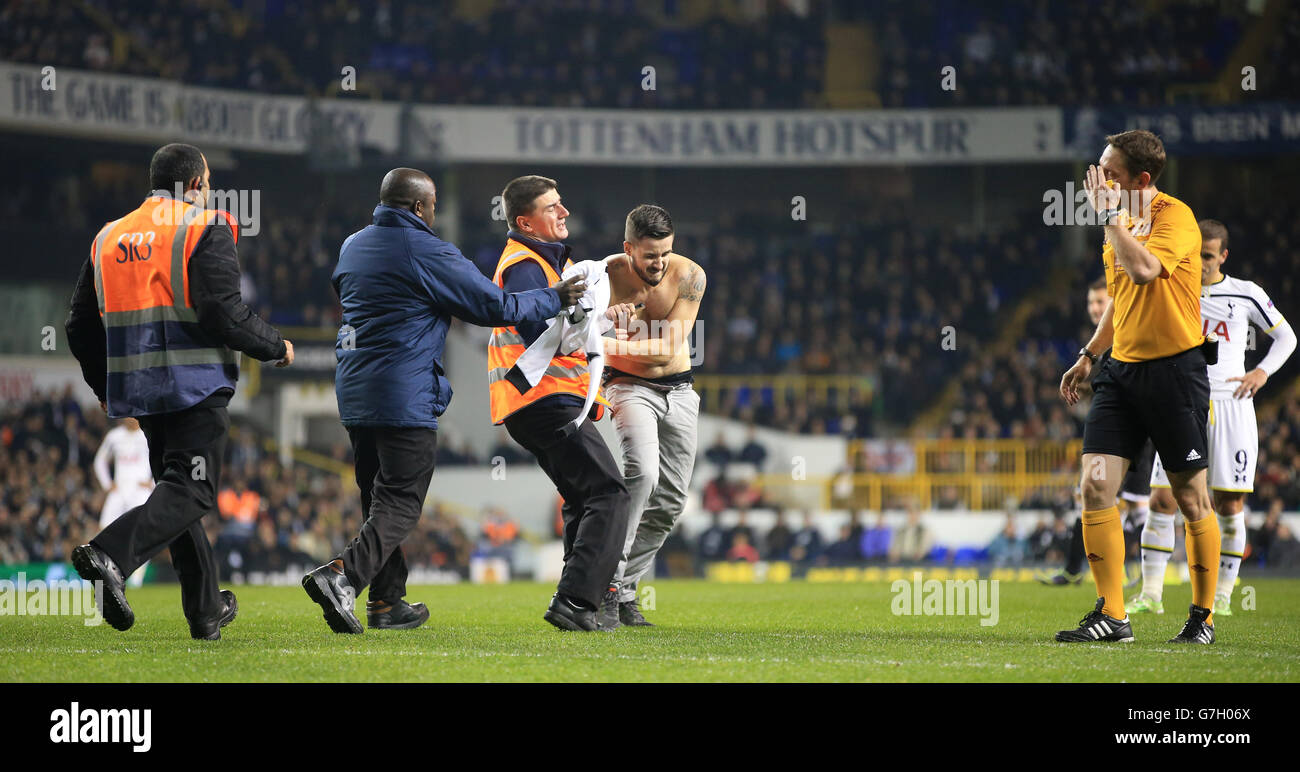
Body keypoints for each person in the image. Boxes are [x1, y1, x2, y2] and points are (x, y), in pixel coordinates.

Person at [302, 168, 584, 634]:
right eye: (432, 208)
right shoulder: (427, 249)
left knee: (378, 499)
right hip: (404, 392)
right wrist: (552, 297)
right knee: (400, 503)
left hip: (354, 389)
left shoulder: (354, 244)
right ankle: (342, 576)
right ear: (420, 208)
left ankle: (387, 604)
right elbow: (496, 307)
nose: (434, 215)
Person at [66, 142, 292, 640]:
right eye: (208, 184)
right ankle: (110, 554)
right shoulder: (203, 227)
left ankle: (206, 611)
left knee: (177, 490)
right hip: (195, 385)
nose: (209, 193)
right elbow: (222, 312)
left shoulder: (108, 237)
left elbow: (78, 326)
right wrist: (276, 347)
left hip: (142, 392)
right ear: (194, 185)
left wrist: (105, 384)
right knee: (192, 491)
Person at [1058, 130, 1218, 644]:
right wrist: (1089, 354)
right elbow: (1122, 301)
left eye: (1110, 173)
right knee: (1095, 485)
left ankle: (1202, 617)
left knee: (1191, 498)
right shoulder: (1122, 223)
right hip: (1121, 374)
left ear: (1141, 180)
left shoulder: (1175, 218)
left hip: (1175, 373)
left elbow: (1147, 270)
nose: (1099, 179)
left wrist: (1108, 218)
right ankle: (1113, 614)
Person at [486, 175, 631, 632]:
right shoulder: (527, 267)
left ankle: (576, 600)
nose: (564, 211)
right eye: (553, 207)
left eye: (562, 203)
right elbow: (541, 336)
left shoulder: (540, 265)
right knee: (609, 492)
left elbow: (557, 332)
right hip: (545, 399)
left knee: (582, 497)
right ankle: (577, 599)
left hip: (533, 404)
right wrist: (595, 323)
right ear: (526, 222)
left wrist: (601, 320)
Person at [1129, 219, 1295, 616]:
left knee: (1228, 504)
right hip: (1179, 405)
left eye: (1208, 255)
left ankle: (1221, 595)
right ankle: (1151, 593)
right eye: (1196, 253)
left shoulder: (1246, 294)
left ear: (1223, 256)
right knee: (1161, 498)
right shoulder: (1172, 286)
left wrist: (1262, 372)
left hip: (1230, 405)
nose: (1201, 262)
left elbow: (1286, 337)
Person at [599, 203, 706, 628]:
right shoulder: (604, 277)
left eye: (665, 252)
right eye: (649, 256)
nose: (659, 263)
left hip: (680, 390)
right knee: (642, 475)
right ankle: (607, 586)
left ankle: (625, 590)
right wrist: (602, 322)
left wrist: (603, 341)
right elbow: (569, 331)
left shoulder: (690, 276)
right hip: (627, 387)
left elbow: (666, 348)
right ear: (629, 249)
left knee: (672, 500)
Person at [1039, 277, 1154, 587]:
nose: (1094, 308)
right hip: (1110, 432)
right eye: (1091, 303)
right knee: (1089, 496)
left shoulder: (1125, 338)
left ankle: (1147, 577)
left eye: (1100, 302)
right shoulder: (1098, 344)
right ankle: (1076, 569)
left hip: (1138, 432)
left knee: (1137, 504)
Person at [92, 417, 153, 587]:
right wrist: (107, 484)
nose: (129, 418)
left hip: (140, 490)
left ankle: (136, 578)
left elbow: (162, 457)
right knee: (103, 529)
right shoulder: (114, 436)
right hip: (119, 489)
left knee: (141, 533)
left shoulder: (148, 434)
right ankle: (105, 573)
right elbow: (100, 461)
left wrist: (153, 482)